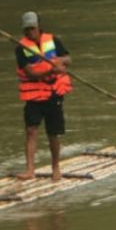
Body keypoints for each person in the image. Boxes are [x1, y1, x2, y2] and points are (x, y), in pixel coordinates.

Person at [15, 11, 72, 180]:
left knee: (53, 133)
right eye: (26, 30)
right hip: (34, 96)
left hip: (53, 93)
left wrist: (59, 63)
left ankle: (56, 168)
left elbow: (68, 58)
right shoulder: (21, 49)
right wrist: (51, 69)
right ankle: (30, 170)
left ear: (38, 27)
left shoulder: (53, 40)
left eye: (32, 28)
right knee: (31, 130)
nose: (29, 32)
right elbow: (31, 73)